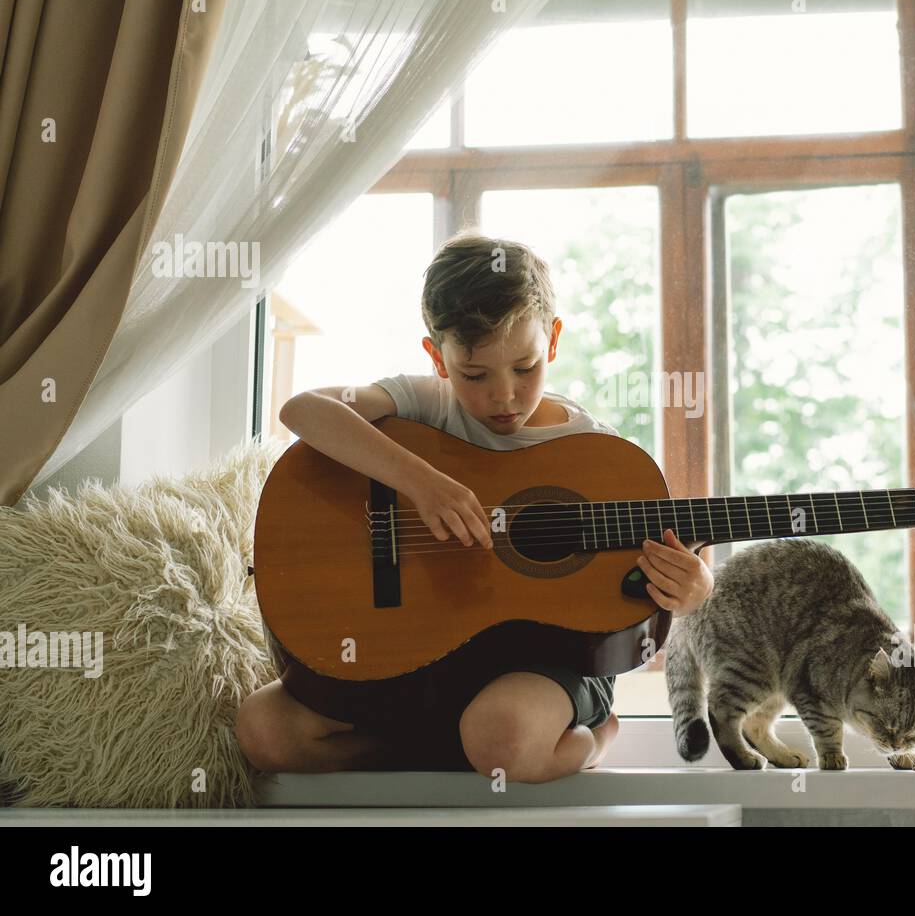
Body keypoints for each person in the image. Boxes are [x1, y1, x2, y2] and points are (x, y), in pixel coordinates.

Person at [236, 231, 715, 782]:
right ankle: (435, 752)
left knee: (503, 739)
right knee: (263, 730)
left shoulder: (595, 453)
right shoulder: (425, 404)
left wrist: (695, 588)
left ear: (553, 341)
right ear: (437, 357)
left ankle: (594, 738)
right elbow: (304, 410)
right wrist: (420, 482)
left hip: (546, 664)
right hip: (419, 655)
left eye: (525, 366)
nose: (503, 395)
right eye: (474, 375)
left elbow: (670, 563)